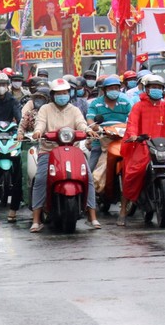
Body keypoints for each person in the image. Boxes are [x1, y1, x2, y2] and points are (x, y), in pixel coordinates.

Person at [29, 79, 101, 233]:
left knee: (87, 177)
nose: (62, 96)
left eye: (65, 93)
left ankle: (92, 215)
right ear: (53, 95)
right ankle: (36, 219)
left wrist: (88, 131)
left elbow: (81, 123)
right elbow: (40, 123)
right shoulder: (45, 109)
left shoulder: (74, 110)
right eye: (59, 93)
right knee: (41, 178)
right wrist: (38, 132)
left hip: (72, 150)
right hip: (49, 150)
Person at [119, 74, 165, 226]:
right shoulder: (138, 106)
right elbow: (132, 124)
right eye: (153, 87)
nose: (156, 90)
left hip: (164, 146)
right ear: (146, 89)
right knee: (132, 173)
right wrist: (133, 135)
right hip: (143, 146)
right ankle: (123, 210)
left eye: (159, 87)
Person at [85, 76, 134, 170]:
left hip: (121, 140)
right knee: (90, 170)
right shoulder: (95, 103)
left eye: (116, 88)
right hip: (101, 140)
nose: (114, 90)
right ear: (104, 90)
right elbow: (90, 119)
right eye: (111, 88)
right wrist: (96, 127)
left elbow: (133, 118)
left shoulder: (125, 103)